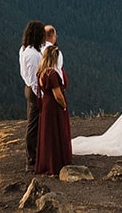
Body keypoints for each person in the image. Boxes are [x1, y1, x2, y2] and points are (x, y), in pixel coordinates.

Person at [34, 45, 72, 175]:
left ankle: (46, 162)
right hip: (54, 106)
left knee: (47, 133)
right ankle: (56, 163)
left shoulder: (41, 72)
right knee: (56, 132)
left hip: (45, 105)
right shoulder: (52, 74)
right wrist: (64, 105)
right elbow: (57, 94)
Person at [19, 20, 47, 170]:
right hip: (35, 90)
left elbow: (25, 74)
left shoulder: (23, 50)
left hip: (28, 88)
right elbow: (36, 77)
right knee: (33, 125)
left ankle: (33, 156)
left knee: (32, 122)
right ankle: (31, 159)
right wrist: (41, 96)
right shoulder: (34, 55)